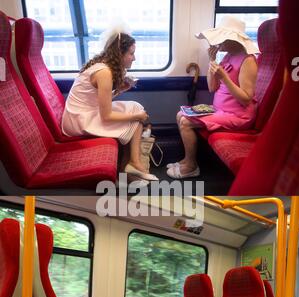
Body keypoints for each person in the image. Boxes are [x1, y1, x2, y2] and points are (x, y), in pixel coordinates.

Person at [167, 16, 259, 179]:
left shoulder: (248, 60)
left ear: (233, 38)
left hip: (238, 115)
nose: (218, 43)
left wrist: (224, 77)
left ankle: (191, 166)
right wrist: (211, 60)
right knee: (180, 114)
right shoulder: (227, 56)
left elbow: (246, 98)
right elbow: (212, 87)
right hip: (221, 110)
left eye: (222, 38)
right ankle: (186, 159)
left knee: (186, 122)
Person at [62, 28, 158, 181]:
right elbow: (106, 115)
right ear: (120, 54)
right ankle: (132, 166)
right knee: (136, 118)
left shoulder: (103, 66)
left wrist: (120, 91)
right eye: (131, 54)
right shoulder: (104, 72)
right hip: (79, 121)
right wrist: (137, 116)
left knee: (135, 106)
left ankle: (133, 164)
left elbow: (97, 100)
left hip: (85, 113)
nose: (134, 58)